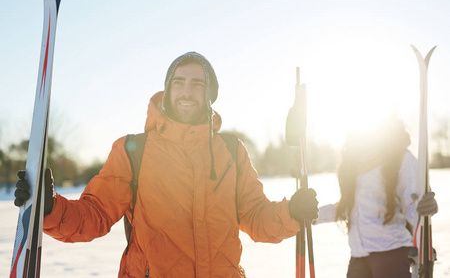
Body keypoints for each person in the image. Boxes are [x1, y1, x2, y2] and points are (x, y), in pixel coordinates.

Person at [14, 51, 319, 278]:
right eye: (179, 83)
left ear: (209, 95)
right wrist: (50, 208)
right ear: (168, 90)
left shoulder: (231, 151)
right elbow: (95, 215)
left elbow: (255, 216)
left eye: (198, 84)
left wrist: (290, 213)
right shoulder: (134, 150)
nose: (187, 91)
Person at [314, 117, 438, 278]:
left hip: (391, 253)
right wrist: (312, 215)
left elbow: (412, 204)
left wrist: (424, 207)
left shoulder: (400, 159)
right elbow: (348, 208)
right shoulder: (353, 163)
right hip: (358, 257)